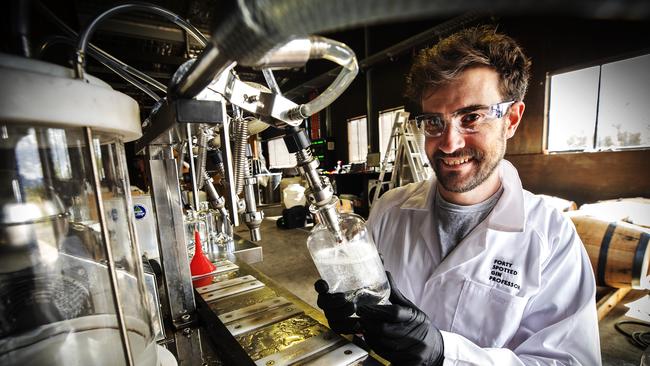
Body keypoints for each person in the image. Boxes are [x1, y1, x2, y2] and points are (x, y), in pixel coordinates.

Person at [315, 26, 601, 365]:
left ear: (511, 119)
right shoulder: (390, 208)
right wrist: (351, 321)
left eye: (472, 117)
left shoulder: (551, 239)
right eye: (434, 122)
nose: (449, 144)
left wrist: (446, 354)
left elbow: (570, 362)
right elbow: (373, 310)